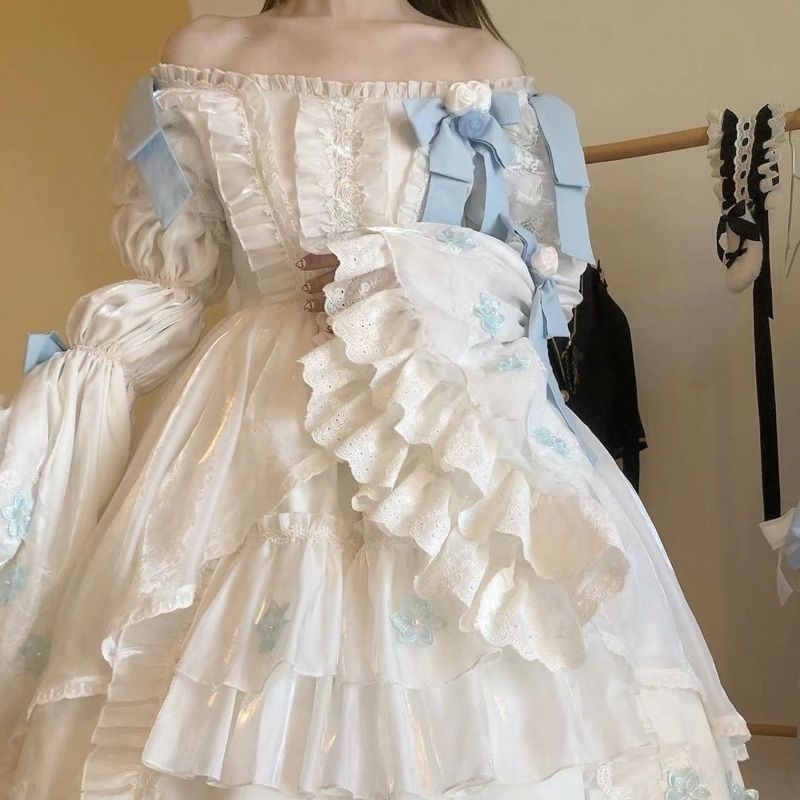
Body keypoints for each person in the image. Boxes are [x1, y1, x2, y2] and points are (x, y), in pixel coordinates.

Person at [0, 3, 757, 798]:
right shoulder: (206, 53)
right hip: (248, 428)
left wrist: (405, 266)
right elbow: (174, 281)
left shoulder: (477, 63)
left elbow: (531, 281)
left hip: (434, 421)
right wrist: (64, 404)